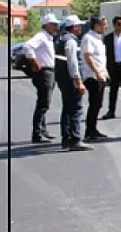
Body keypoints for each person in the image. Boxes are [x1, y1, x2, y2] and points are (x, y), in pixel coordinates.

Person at [21, 14, 62, 143]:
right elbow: (27, 47)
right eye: (54, 24)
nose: (57, 27)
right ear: (46, 25)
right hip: (44, 72)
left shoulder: (48, 37)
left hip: (49, 71)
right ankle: (37, 133)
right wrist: (35, 63)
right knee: (43, 103)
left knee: (45, 102)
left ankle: (42, 129)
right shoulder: (41, 36)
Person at [55, 15, 91, 151]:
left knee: (67, 109)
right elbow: (73, 63)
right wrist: (78, 81)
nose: (80, 28)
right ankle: (75, 139)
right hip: (70, 80)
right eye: (79, 26)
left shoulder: (61, 39)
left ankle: (66, 138)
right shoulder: (70, 41)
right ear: (75, 27)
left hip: (63, 79)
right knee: (76, 109)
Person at [80, 15, 109, 141]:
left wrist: (104, 70)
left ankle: (94, 129)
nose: (106, 27)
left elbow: (100, 58)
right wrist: (97, 72)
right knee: (94, 103)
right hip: (92, 76)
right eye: (104, 24)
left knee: (98, 104)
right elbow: (88, 56)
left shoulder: (99, 38)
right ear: (96, 25)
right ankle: (89, 132)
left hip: (100, 75)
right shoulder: (88, 38)